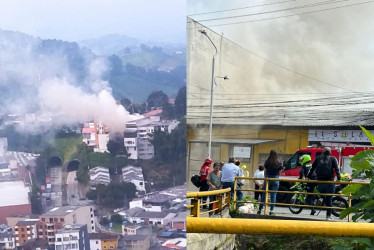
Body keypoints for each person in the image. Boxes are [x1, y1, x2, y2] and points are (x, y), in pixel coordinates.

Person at [307, 147, 341, 220]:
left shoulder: (318, 158)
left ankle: (322, 197)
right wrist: (339, 178)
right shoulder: (332, 159)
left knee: (322, 193)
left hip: (320, 182)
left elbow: (312, 168)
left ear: (323, 152)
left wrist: (308, 177)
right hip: (329, 182)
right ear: (330, 152)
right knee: (329, 199)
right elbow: (336, 169)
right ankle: (328, 216)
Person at [258, 149, 282, 215]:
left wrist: (266, 178)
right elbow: (279, 173)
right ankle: (271, 211)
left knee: (264, 194)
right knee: (273, 195)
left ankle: (260, 209)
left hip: (268, 179)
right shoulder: (279, 162)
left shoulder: (267, 161)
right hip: (275, 179)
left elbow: (265, 172)